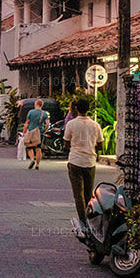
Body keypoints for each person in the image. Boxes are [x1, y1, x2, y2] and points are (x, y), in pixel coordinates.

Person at [63, 97, 104, 228]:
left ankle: (83, 220)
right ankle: (90, 218)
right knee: (88, 193)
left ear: (76, 109)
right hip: (90, 162)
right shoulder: (95, 125)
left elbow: (66, 143)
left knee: (78, 194)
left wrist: (76, 146)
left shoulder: (71, 124)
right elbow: (101, 146)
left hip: (75, 161)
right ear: (88, 109)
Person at [22, 99, 50, 170]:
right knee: (38, 148)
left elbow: (27, 122)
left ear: (36, 104)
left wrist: (24, 131)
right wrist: (44, 130)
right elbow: (47, 123)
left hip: (31, 131)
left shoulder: (31, 112)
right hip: (39, 132)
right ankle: (37, 164)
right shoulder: (45, 113)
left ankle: (32, 160)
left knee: (29, 147)